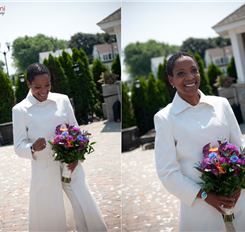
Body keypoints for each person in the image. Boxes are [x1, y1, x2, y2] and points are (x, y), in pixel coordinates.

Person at [154, 52, 245, 231]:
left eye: (193, 70)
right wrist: (205, 195)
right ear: (171, 80)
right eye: (181, 73)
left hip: (237, 196)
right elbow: (167, 172)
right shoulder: (165, 117)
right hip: (200, 205)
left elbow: (240, 148)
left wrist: (240, 183)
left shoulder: (221, 104)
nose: (190, 77)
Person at [12, 63, 107, 232]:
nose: (44, 90)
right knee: (50, 215)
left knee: (82, 204)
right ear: (28, 84)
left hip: (71, 165)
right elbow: (18, 146)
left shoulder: (62, 100)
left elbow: (77, 131)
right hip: (44, 170)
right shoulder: (20, 110)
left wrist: (77, 155)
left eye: (47, 84)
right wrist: (32, 147)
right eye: (37, 87)